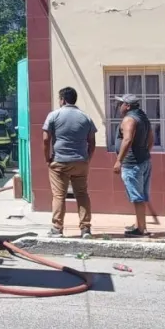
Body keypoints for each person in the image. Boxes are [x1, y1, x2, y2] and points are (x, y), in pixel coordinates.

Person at [42, 86, 97, 238]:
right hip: (80, 161)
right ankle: (85, 228)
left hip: (59, 161)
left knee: (59, 195)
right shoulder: (85, 117)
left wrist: (47, 158)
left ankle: (57, 228)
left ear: (63, 100)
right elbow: (92, 142)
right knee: (82, 194)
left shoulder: (54, 115)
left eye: (59, 99)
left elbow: (46, 139)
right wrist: (87, 158)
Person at [113, 93, 155, 237]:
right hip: (144, 160)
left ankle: (141, 229)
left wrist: (119, 160)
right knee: (141, 196)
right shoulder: (143, 117)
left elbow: (127, 139)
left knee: (137, 197)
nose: (119, 106)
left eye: (121, 104)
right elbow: (151, 138)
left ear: (127, 106)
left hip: (132, 163)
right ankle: (140, 224)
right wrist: (145, 152)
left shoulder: (129, 119)